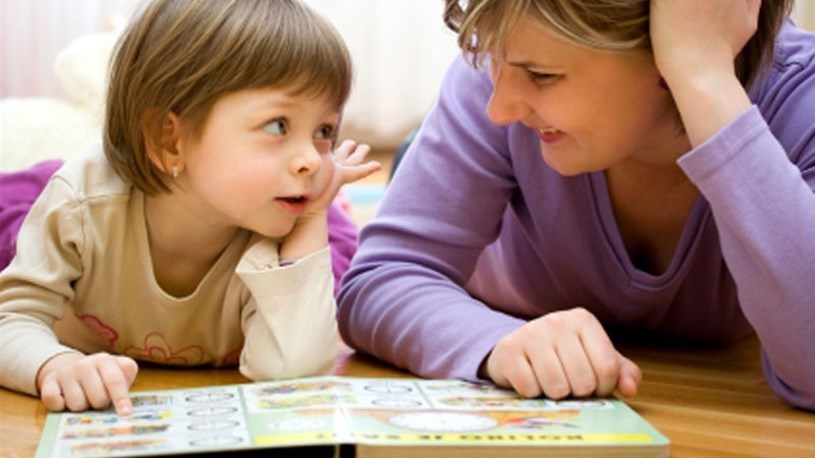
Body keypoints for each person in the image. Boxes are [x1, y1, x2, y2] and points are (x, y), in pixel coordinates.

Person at [338, 0, 815, 410]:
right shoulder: (491, 87)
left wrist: (706, 77)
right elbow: (381, 280)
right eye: (494, 62)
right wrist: (493, 342)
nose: (499, 109)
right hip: (481, 261)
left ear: (668, 56)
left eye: (543, 75)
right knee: (423, 156)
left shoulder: (799, 99)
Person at [0, 0, 380, 416]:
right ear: (170, 140)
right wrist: (54, 363)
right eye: (278, 125)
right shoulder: (82, 206)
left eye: (324, 131)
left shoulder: (275, 228)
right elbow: (11, 321)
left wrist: (311, 218)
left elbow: (294, 370)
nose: (310, 158)